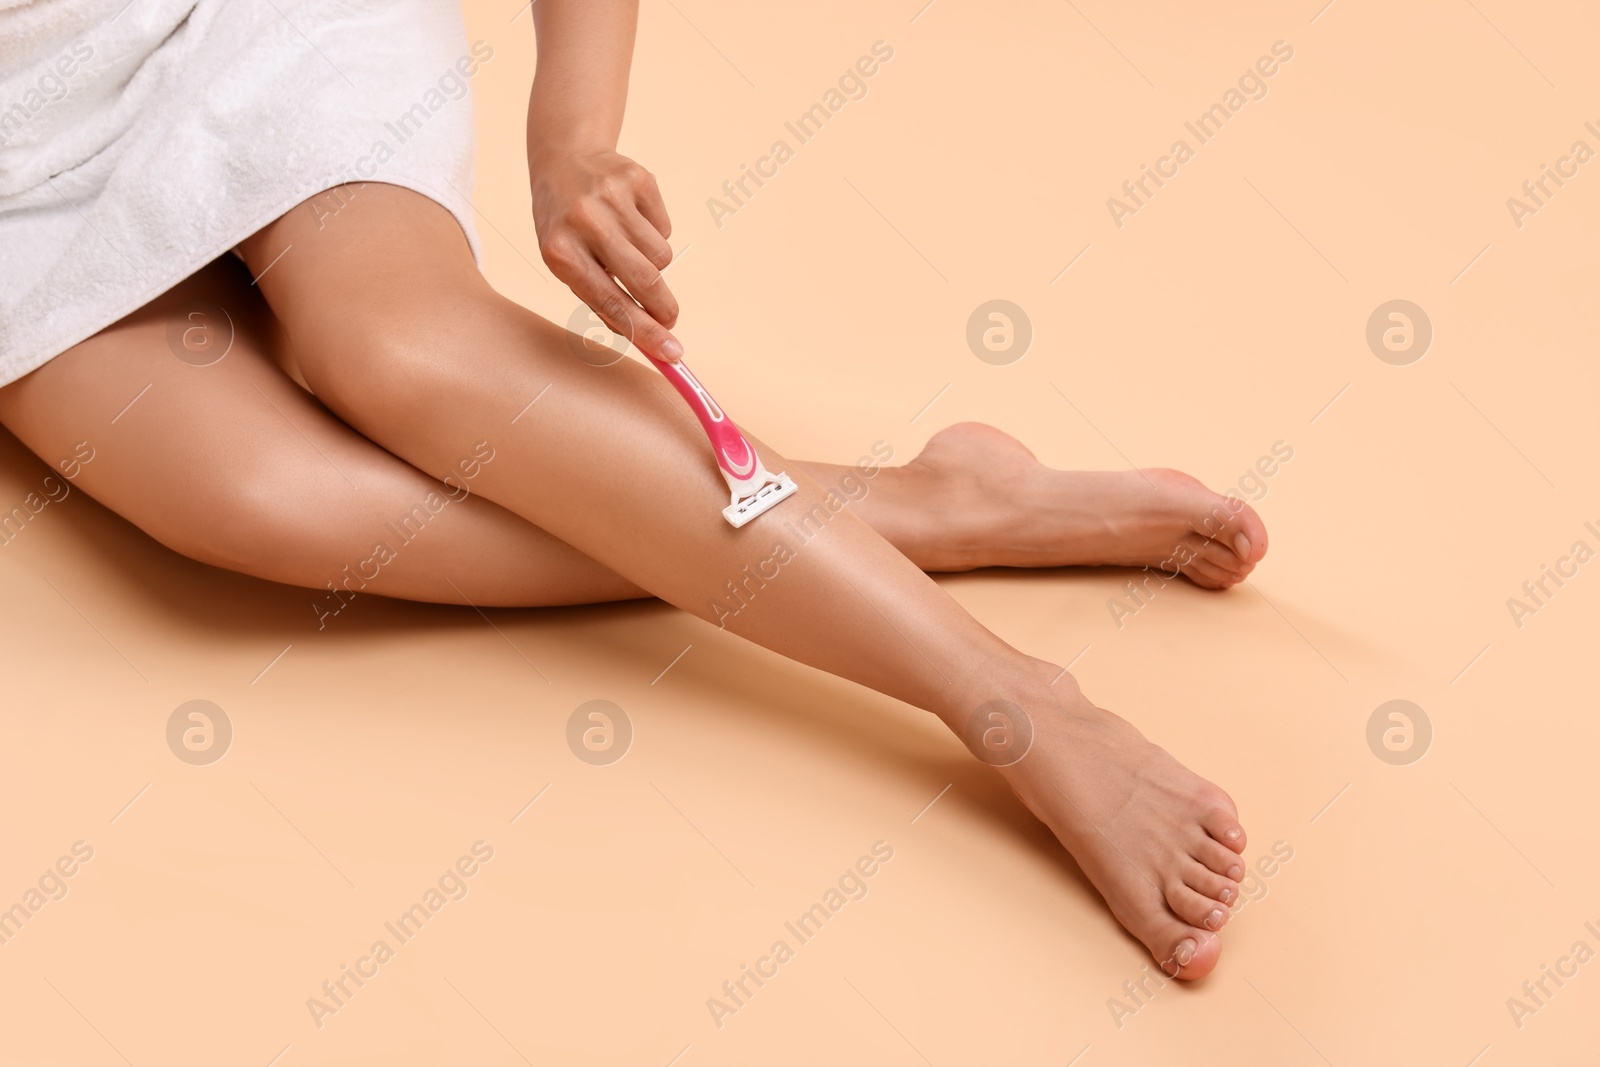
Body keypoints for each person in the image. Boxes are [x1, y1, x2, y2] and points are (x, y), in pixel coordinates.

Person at [0, 0, 1267, 978]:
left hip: (253, 26)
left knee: (403, 356)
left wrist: (574, 143)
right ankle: (933, 503)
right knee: (262, 499)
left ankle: (1011, 697)